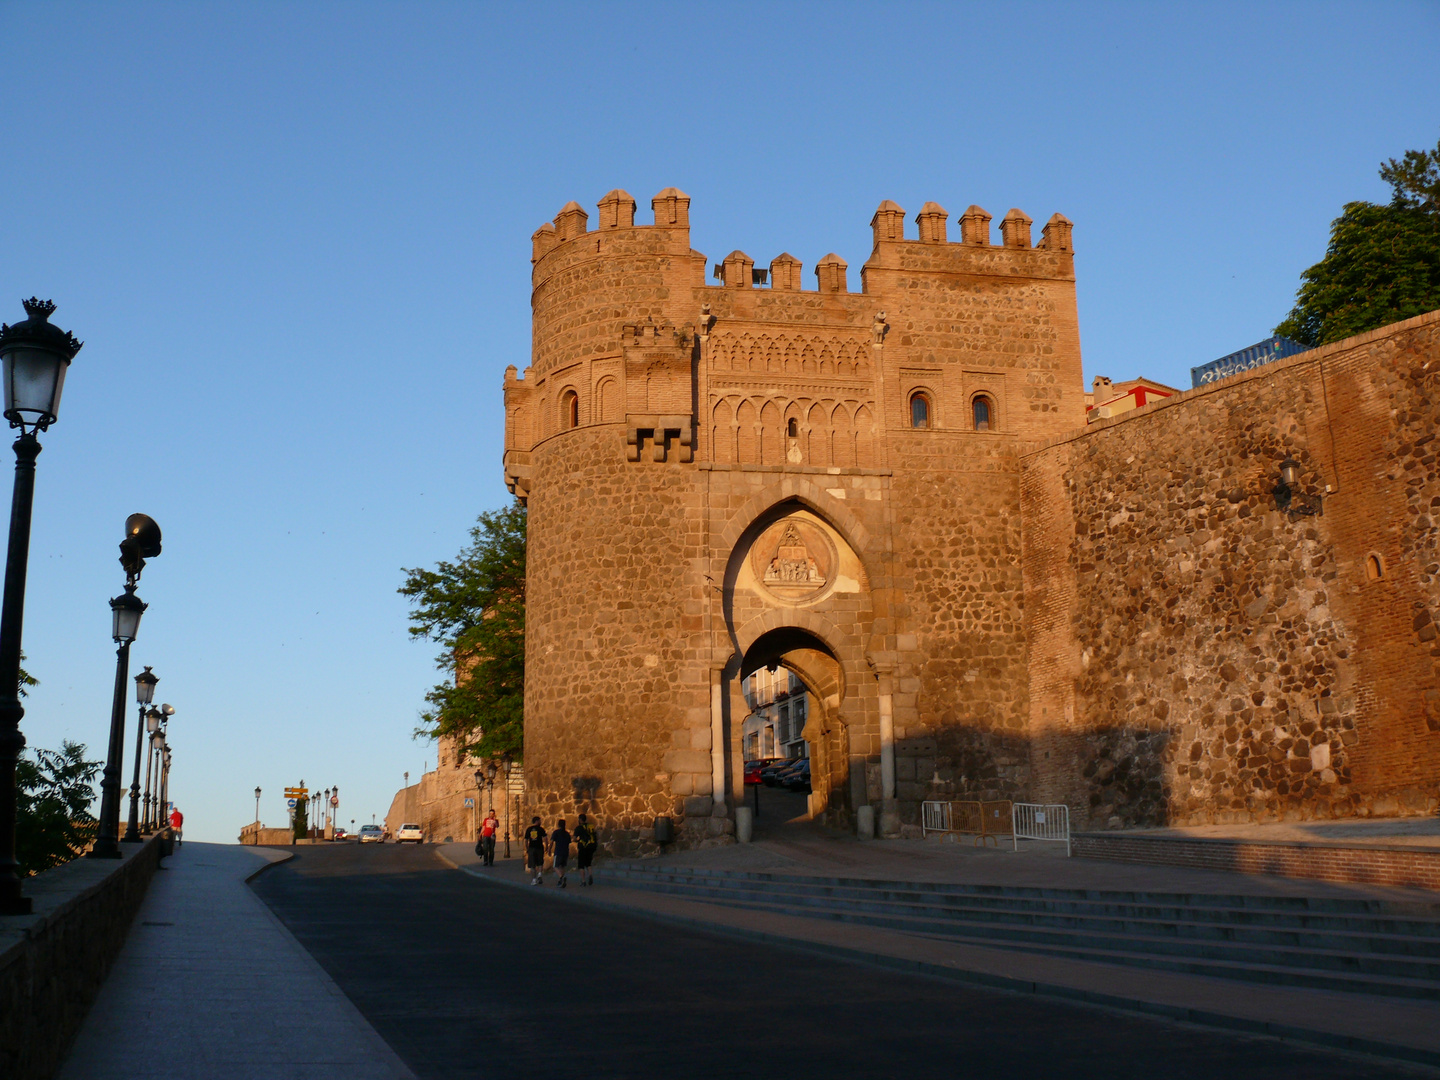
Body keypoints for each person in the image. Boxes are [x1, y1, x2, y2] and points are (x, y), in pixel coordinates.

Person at [574, 812, 598, 887]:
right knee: (588, 863)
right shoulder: (591, 826)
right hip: (591, 847)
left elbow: (574, 838)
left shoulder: (579, 828)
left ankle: (583, 881)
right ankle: (590, 874)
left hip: (583, 847)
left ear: (580, 819)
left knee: (581, 865)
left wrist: (577, 841)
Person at [523, 816, 547, 885]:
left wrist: (527, 848)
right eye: (540, 820)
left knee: (532, 865)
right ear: (536, 821)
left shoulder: (529, 829)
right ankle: (539, 874)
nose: (541, 822)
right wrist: (547, 847)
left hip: (532, 848)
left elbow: (526, 840)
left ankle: (534, 879)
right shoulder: (541, 829)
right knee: (540, 863)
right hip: (539, 847)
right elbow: (545, 838)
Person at [550, 818, 572, 888]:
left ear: (558, 825)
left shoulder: (556, 832)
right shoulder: (567, 834)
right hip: (565, 851)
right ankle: (561, 881)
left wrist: (549, 849)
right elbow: (569, 842)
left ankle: (561, 877)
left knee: (555, 866)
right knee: (562, 866)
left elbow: (552, 841)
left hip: (558, 851)